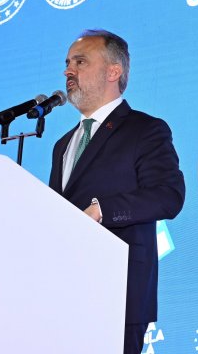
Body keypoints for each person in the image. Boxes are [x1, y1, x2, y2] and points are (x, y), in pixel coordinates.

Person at [48, 29, 185, 354]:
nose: (68, 71)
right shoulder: (63, 145)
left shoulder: (145, 130)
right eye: (67, 63)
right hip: (62, 295)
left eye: (80, 62)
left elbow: (168, 195)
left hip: (117, 292)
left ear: (113, 71)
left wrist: (102, 209)